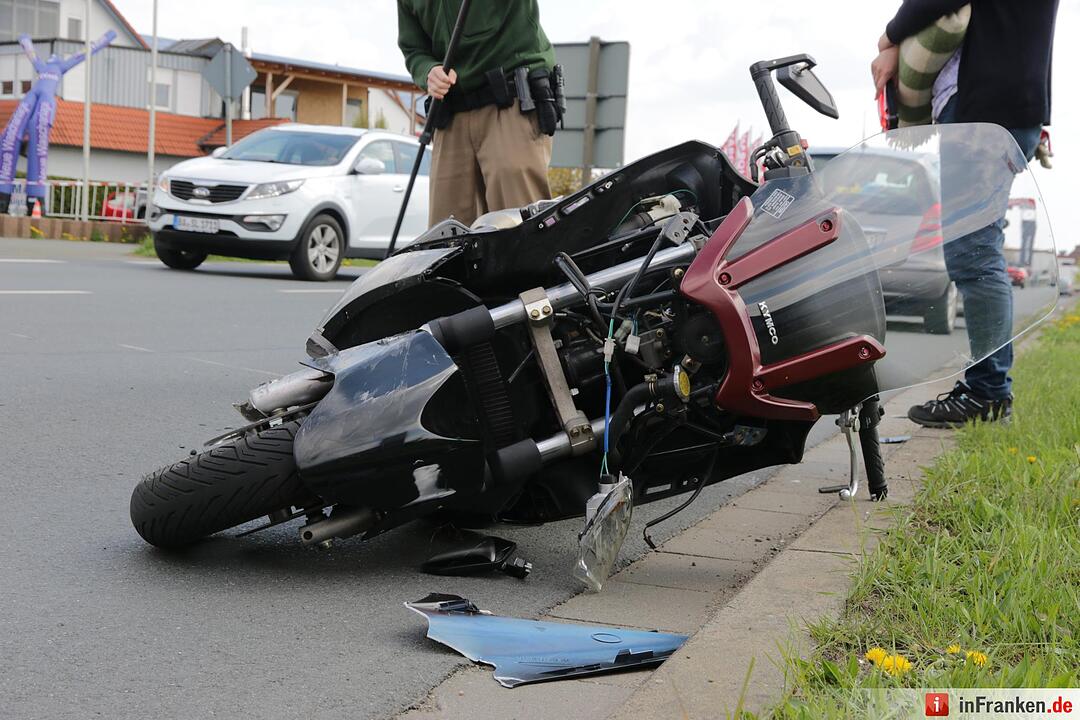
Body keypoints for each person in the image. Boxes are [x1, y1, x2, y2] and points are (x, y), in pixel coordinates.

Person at [870, 0, 1059, 428]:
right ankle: (988, 390)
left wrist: (888, 39)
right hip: (1012, 105)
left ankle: (987, 393)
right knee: (980, 249)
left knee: (974, 254)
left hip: (984, 107)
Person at [397, 0, 560, 228]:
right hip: (451, 110)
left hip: (509, 101)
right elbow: (413, 48)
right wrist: (428, 71)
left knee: (519, 226)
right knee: (447, 233)